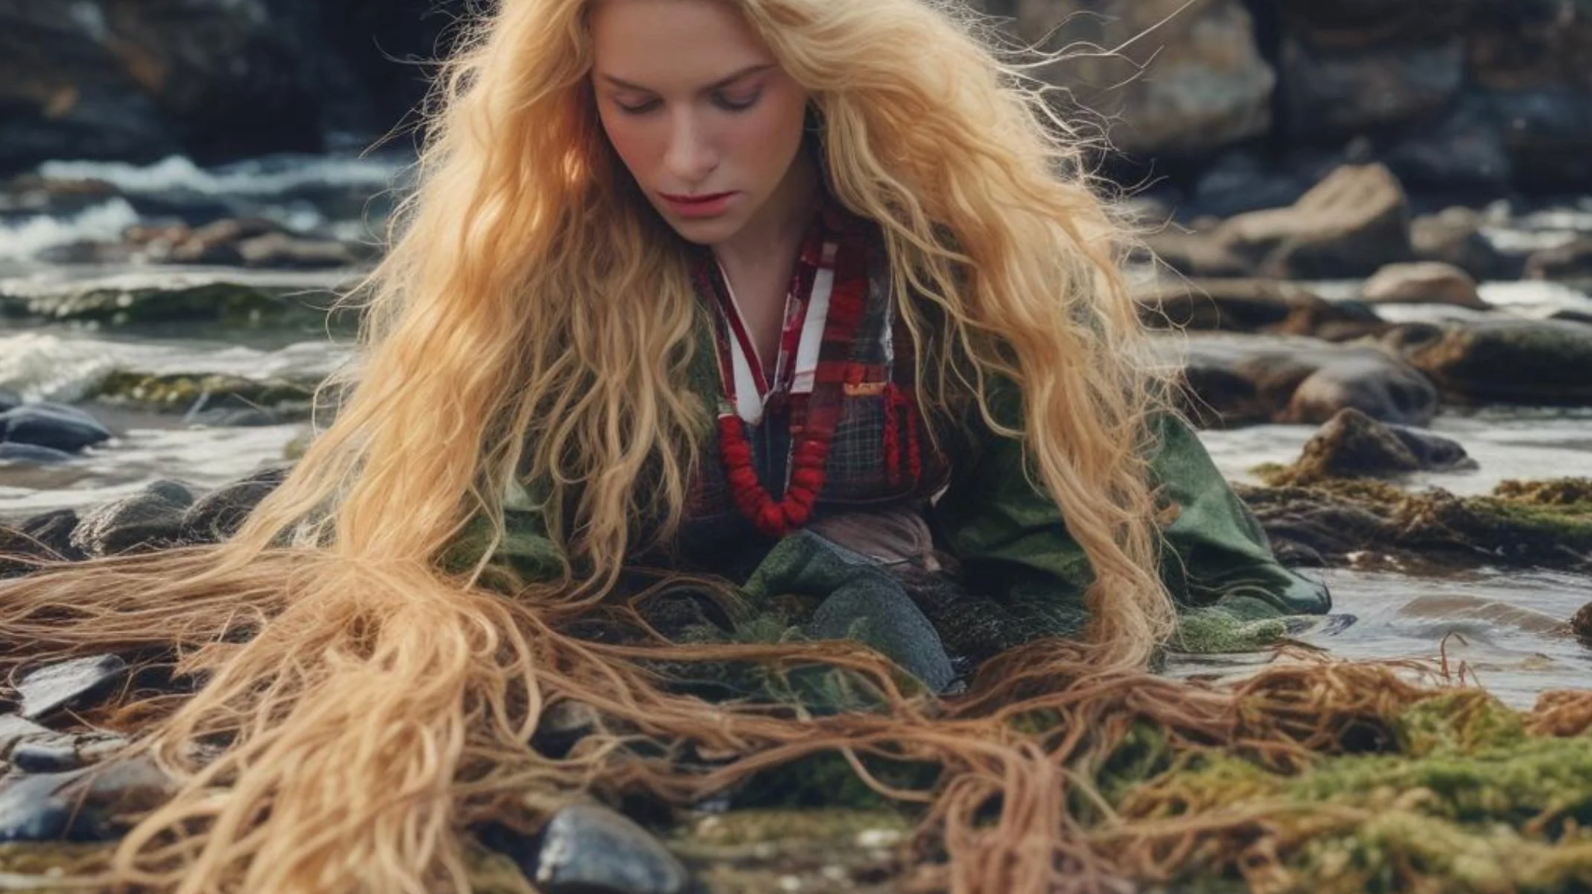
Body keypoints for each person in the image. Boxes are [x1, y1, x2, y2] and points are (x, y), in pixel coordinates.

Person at [0, 0, 1328, 891]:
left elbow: (1092, 556)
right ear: (580, 98)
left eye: (733, 96)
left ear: (818, 73)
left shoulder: (960, 258)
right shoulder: (544, 272)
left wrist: (941, 606)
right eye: (634, 104)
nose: (685, 155)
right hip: (616, 605)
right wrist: (794, 572)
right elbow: (491, 575)